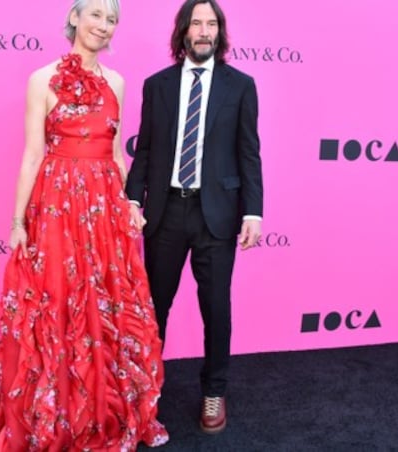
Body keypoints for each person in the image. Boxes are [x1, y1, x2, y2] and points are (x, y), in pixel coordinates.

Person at [0, 0, 168, 450]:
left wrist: (129, 202)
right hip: (57, 205)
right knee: (59, 303)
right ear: (74, 18)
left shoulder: (118, 83)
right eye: (96, 16)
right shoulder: (42, 79)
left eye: (111, 20)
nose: (103, 26)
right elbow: (32, 153)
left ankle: (105, 412)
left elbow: (117, 153)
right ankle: (57, 414)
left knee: (106, 302)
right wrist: (17, 221)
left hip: (104, 206)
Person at [125, 0, 263, 435]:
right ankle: (146, 391)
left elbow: (248, 153)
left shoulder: (241, 86)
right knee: (153, 310)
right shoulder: (157, 86)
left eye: (212, 24)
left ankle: (214, 391)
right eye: (197, 23)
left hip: (217, 216)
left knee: (216, 307)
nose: (204, 31)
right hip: (165, 213)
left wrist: (253, 212)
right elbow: (143, 149)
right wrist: (132, 200)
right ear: (183, 31)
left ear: (219, 33)